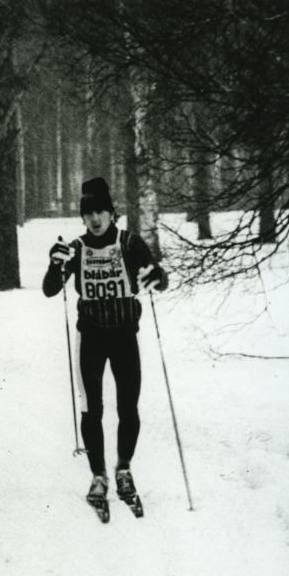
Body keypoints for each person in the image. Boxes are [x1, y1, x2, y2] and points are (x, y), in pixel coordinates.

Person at [42, 177, 167, 516]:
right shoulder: (77, 248)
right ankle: (98, 476)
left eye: (100, 212)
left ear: (112, 214)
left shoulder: (130, 243)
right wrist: (55, 264)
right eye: (88, 213)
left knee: (129, 406)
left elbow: (160, 277)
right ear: (82, 218)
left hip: (125, 334)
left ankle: (123, 468)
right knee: (91, 408)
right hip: (91, 337)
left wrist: (155, 277)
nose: (95, 219)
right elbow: (50, 289)